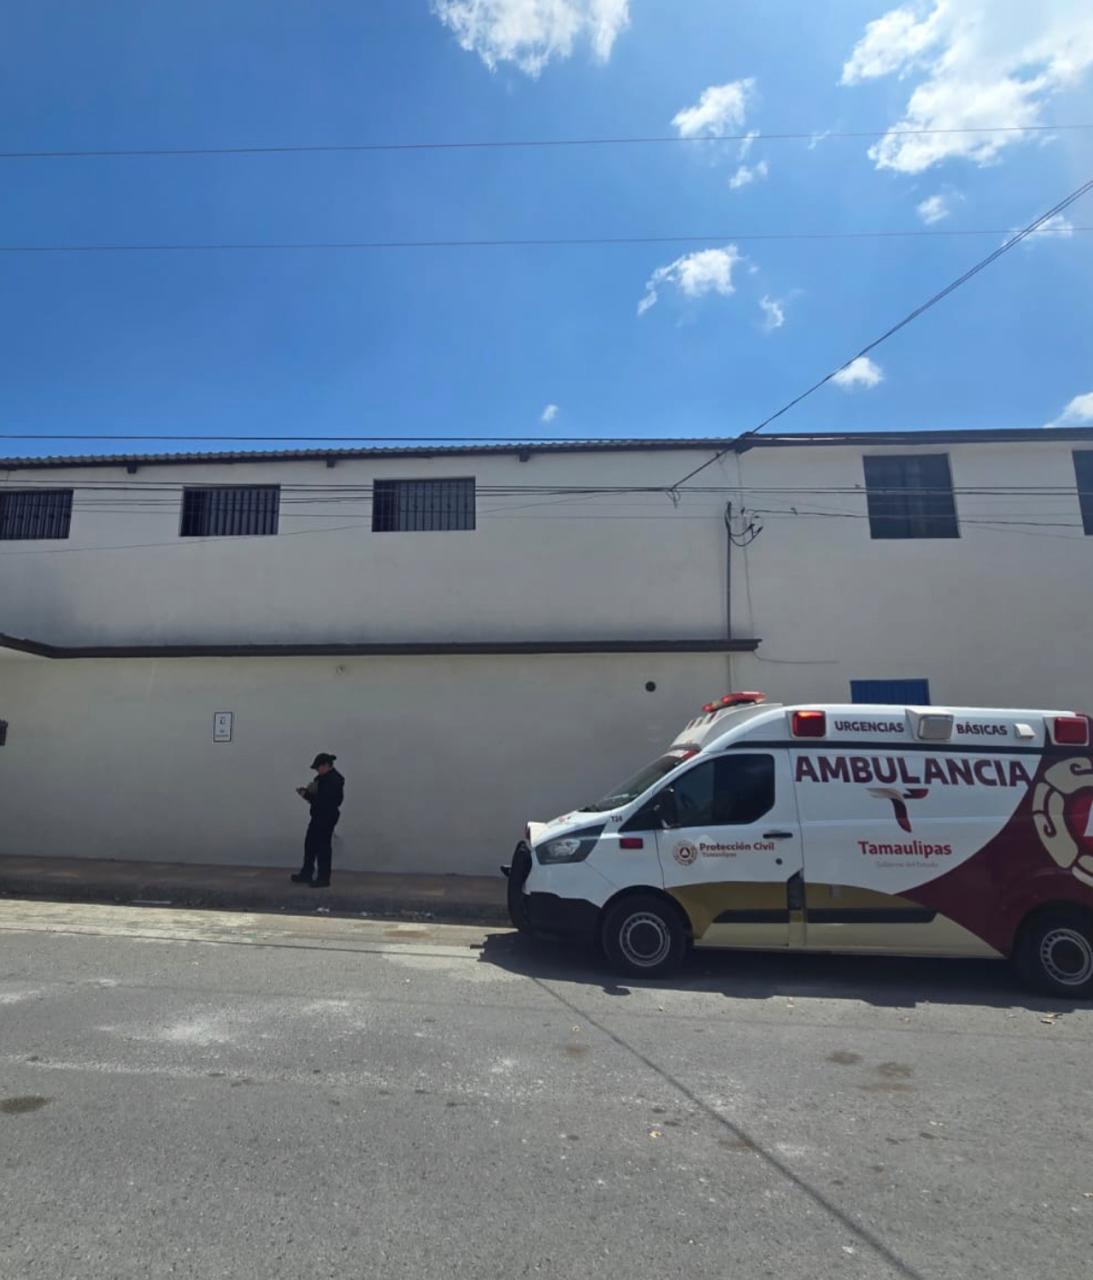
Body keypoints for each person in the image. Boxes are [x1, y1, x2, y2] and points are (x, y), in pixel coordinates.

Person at [291, 753, 345, 888]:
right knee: (310, 844)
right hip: (319, 816)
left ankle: (323, 878)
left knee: (323, 848)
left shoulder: (333, 780)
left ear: (326, 765)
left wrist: (307, 795)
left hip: (326, 816)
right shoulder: (325, 778)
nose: (317, 770)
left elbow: (324, 800)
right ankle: (307, 873)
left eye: (318, 767)